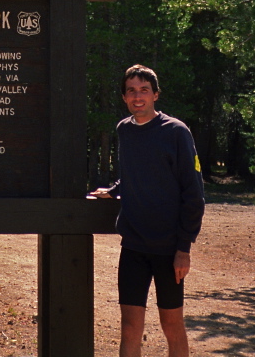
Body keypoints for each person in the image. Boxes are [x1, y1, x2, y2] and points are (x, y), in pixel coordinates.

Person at [90, 64, 205, 357]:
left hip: (169, 249)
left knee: (172, 325)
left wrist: (184, 248)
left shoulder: (176, 131)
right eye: (131, 91)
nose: (137, 96)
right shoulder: (124, 130)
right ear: (124, 97)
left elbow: (193, 193)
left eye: (144, 90)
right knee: (130, 327)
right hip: (133, 246)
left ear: (155, 94)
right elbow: (131, 173)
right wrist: (114, 190)